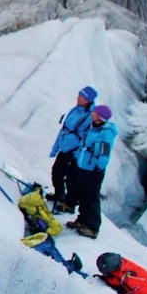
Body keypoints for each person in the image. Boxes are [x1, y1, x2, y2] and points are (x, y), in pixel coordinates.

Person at [65, 104, 118, 239]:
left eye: (95, 112)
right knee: (83, 195)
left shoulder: (105, 133)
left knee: (91, 197)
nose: (92, 112)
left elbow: (104, 153)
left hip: (93, 170)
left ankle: (93, 227)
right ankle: (82, 221)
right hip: (84, 167)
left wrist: (98, 167)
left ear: (100, 117)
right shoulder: (93, 127)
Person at [47, 86, 98, 214]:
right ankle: (60, 195)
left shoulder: (90, 117)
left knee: (71, 177)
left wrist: (78, 153)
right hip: (66, 147)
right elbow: (64, 128)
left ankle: (69, 203)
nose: (78, 98)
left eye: (82, 96)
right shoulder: (76, 110)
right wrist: (56, 148)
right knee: (57, 172)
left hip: (74, 151)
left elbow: (87, 136)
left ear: (88, 100)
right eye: (79, 95)